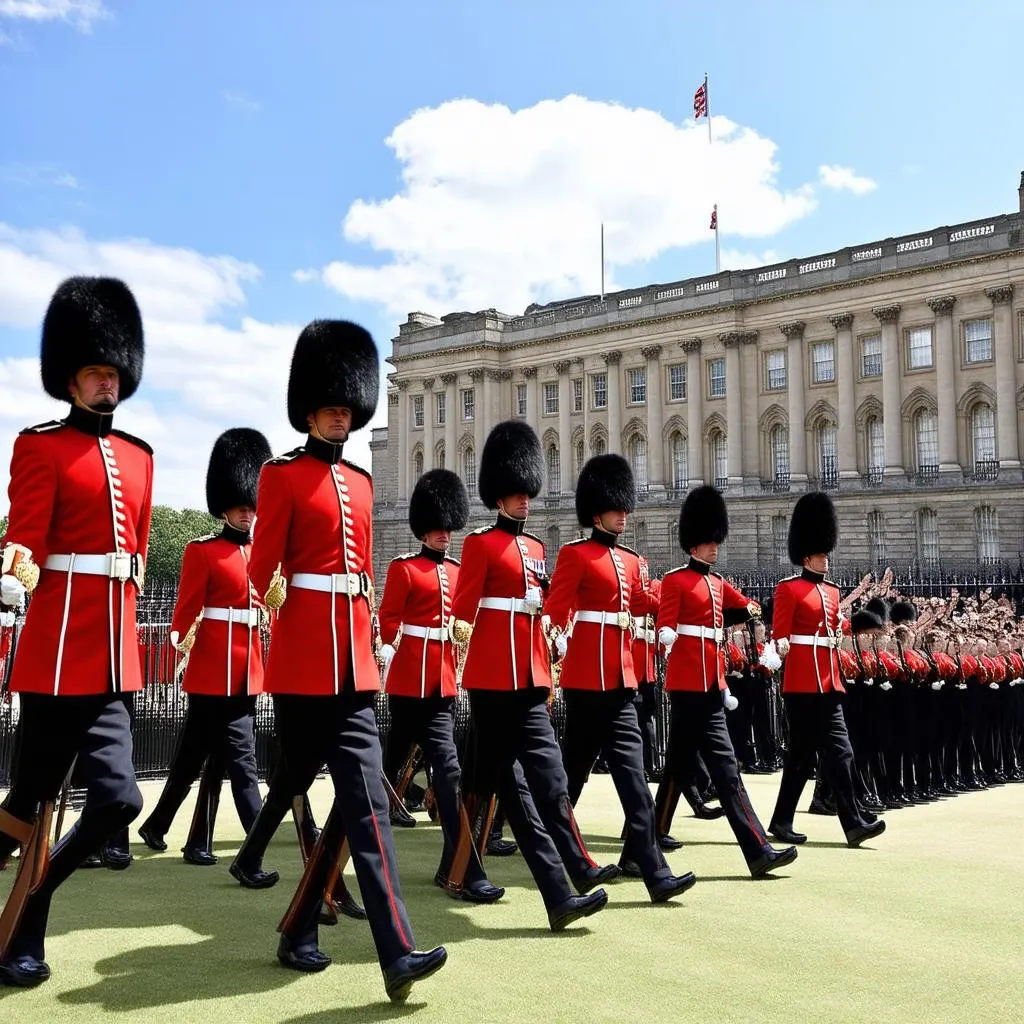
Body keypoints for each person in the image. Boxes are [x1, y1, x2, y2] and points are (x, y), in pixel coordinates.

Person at [246, 319, 445, 1002]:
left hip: (353, 671)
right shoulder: (280, 477)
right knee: (325, 797)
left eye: (348, 404)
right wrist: (272, 591)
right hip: (304, 669)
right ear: (309, 407)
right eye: (331, 403)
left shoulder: (362, 485)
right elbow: (260, 569)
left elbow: (358, 577)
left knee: (365, 807)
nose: (342, 412)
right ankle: (298, 927)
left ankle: (397, 951)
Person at [0, 277, 150, 986]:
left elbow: (137, 555)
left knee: (119, 799)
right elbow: (24, 537)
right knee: (32, 807)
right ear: (71, 378)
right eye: (95, 373)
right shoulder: (40, 446)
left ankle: (31, 896)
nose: (107, 385)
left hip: (114, 653)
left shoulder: (141, 457)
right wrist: (12, 575)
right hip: (58, 648)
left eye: (114, 373)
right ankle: (25, 938)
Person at [449, 420, 613, 931]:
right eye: (516, 494)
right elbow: (462, 608)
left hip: (530, 678)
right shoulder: (479, 545)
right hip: (494, 682)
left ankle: (573, 867)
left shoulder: (538, 549)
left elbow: (540, 608)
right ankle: (559, 894)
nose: (524, 501)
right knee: (514, 794)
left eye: (527, 493)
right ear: (499, 497)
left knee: (550, 779)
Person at [546, 454, 696, 900]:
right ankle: (554, 842)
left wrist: (684, 596)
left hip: (622, 683)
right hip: (585, 682)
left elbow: (642, 601)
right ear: (598, 512)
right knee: (572, 775)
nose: (624, 514)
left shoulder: (630, 561)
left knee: (633, 780)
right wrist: (554, 643)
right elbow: (557, 609)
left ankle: (655, 873)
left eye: (624, 506)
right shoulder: (575, 555)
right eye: (617, 508)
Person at [136, 428, 271, 865]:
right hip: (213, 669)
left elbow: (267, 603)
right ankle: (253, 846)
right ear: (224, 506)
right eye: (240, 507)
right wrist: (178, 637)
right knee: (242, 763)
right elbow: (187, 606)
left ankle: (165, 829)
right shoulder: (203, 551)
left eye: (251, 506)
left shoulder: (263, 554)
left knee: (195, 759)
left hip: (248, 668)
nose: (247, 514)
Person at [654, 486, 797, 879]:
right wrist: (668, 637)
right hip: (686, 685)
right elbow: (666, 624)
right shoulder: (676, 581)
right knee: (704, 768)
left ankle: (651, 840)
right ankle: (753, 849)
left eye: (716, 540)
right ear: (692, 544)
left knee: (697, 767)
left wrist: (753, 611)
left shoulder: (718, 584)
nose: (714, 546)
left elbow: (741, 606)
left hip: (711, 687)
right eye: (708, 540)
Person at [377, 469, 503, 904]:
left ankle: (462, 869)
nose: (443, 533)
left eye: (447, 526)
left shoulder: (457, 570)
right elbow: (389, 619)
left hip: (441, 688)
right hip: (408, 683)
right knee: (384, 768)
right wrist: (389, 646)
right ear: (422, 530)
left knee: (448, 776)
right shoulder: (404, 569)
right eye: (435, 527)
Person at [767, 492, 888, 849]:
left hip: (828, 681)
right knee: (822, 756)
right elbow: (780, 632)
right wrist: (781, 647)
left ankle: (787, 821)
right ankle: (851, 822)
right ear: (807, 556)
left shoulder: (833, 593)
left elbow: (834, 632)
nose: (827, 559)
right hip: (803, 683)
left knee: (818, 755)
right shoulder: (789, 589)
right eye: (822, 555)